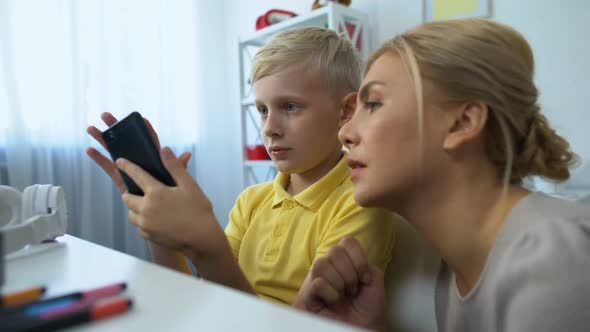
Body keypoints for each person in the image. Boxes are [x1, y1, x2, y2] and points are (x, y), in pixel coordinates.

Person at [293, 19, 590, 331]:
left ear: (462, 123)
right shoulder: (453, 275)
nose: (345, 133)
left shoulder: (555, 259)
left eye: (374, 104)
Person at [86, 27, 396, 305]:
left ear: (345, 111)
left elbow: (311, 322)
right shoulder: (250, 202)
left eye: (290, 106)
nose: (269, 128)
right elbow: (204, 300)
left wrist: (209, 246)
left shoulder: (360, 202)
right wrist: (159, 232)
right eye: (262, 109)